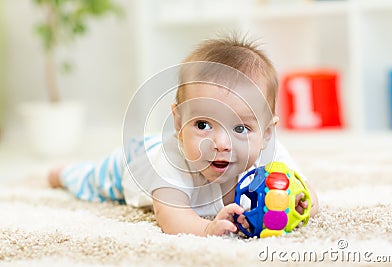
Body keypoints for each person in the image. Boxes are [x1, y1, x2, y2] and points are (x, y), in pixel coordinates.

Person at [48, 36, 319, 237]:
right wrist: (206, 228)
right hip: (133, 160)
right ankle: (64, 173)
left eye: (240, 129)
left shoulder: (272, 158)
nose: (221, 145)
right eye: (202, 124)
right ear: (178, 121)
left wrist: (300, 205)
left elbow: (307, 194)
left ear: (267, 133)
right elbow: (171, 217)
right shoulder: (168, 164)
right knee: (92, 180)